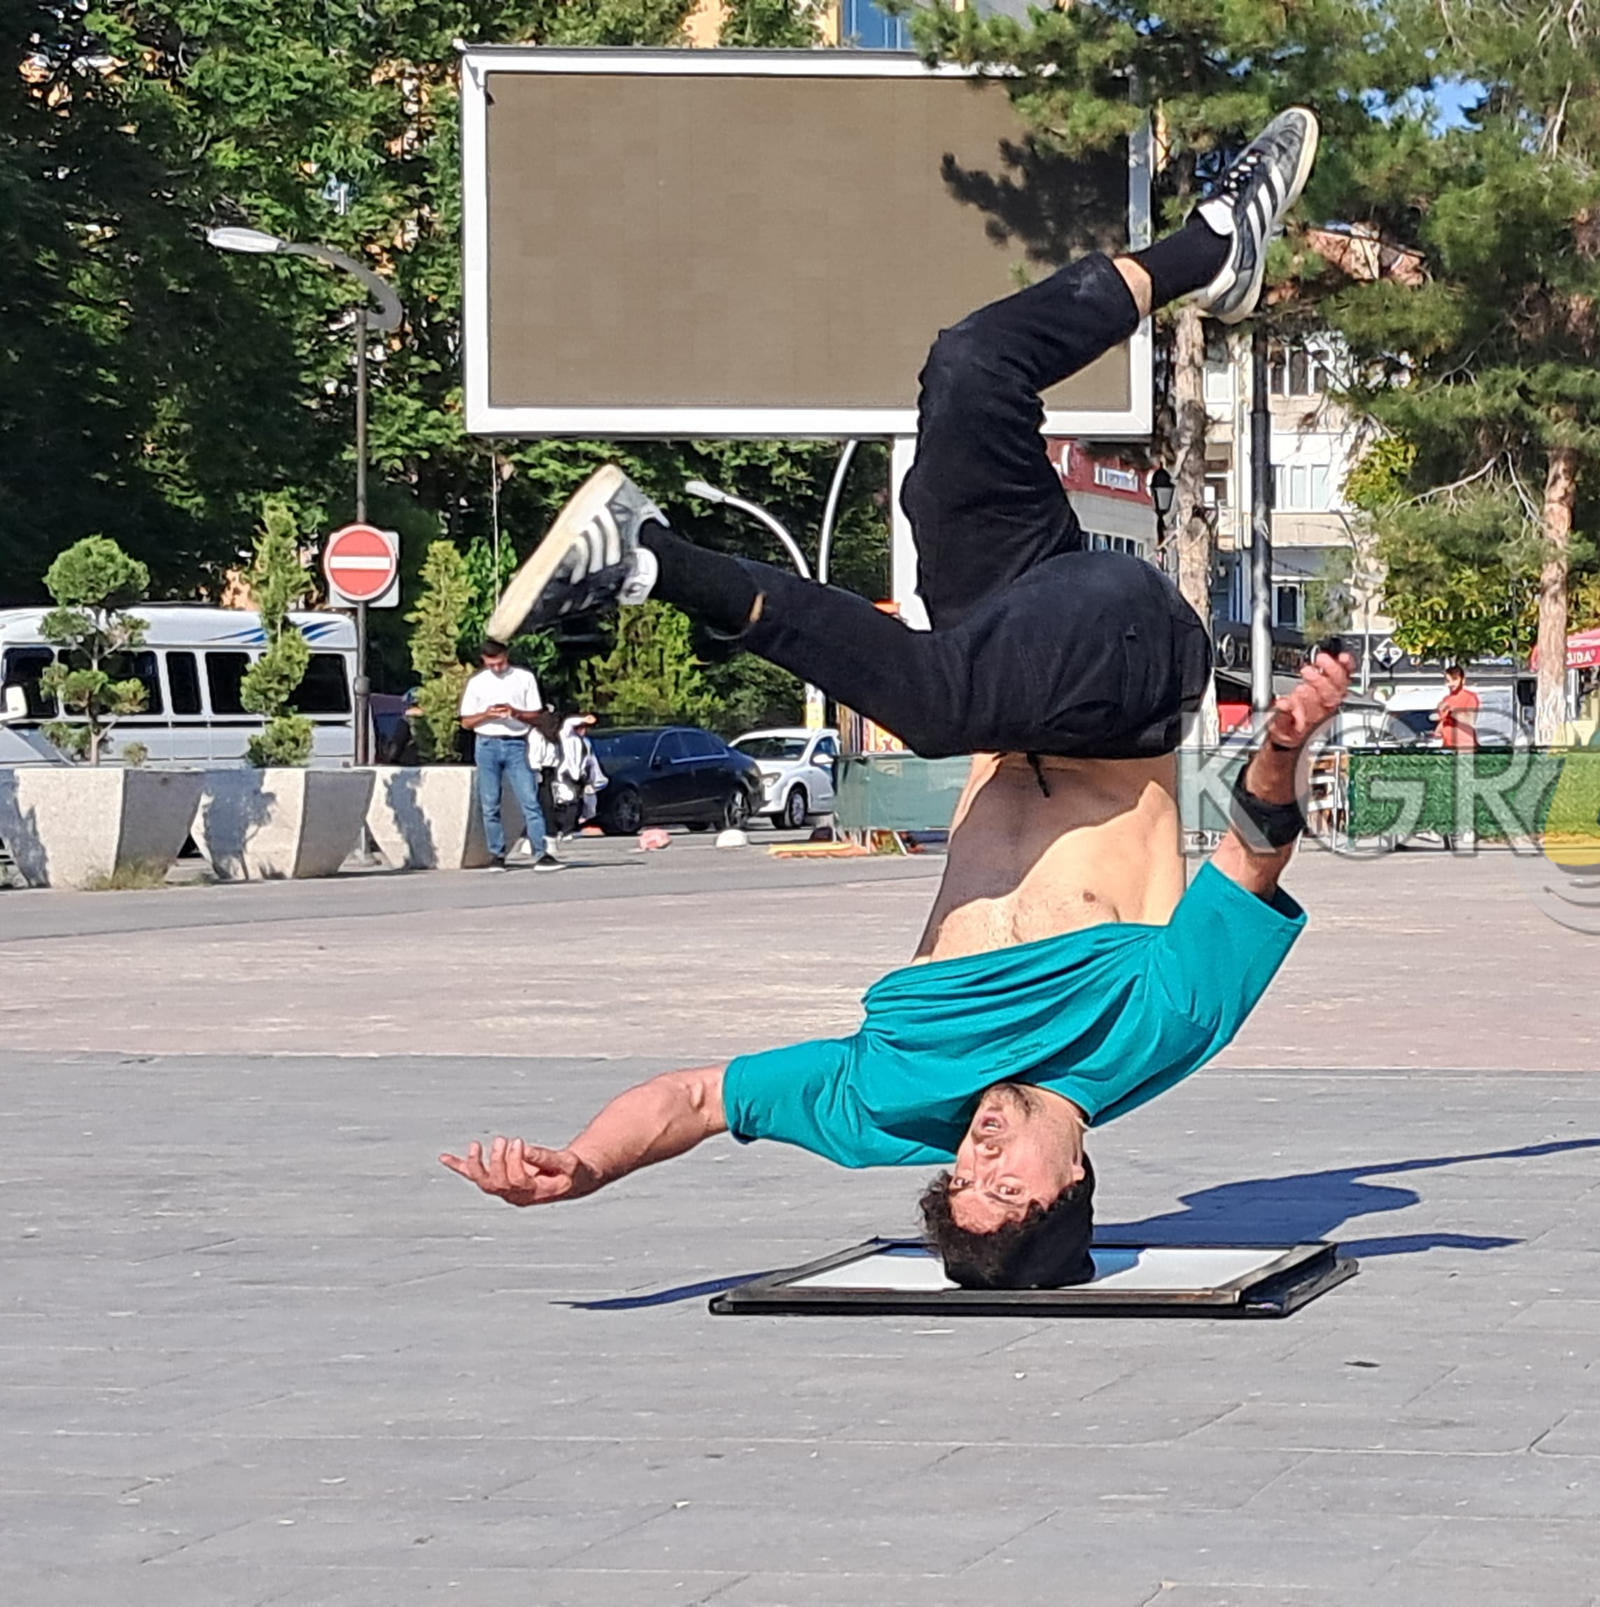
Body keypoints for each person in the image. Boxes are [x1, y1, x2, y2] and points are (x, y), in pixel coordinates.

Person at [438, 111, 1340, 1291]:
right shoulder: (1156, 1036)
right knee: (935, 703)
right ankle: (649, 558)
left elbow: (703, 1095)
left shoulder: (883, 1099)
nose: (980, 1153)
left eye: (962, 1179)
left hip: (1005, 640)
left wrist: (590, 1166)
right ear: (1071, 1186)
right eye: (1006, 1180)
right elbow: (1255, 857)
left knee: (968, 369)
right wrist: (1281, 745)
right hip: (1124, 670)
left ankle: (1208, 248)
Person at [459, 639, 559, 872]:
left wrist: (514, 713)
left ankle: (540, 852)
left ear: (507, 656)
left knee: (529, 799)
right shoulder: (477, 683)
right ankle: (497, 854)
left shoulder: (523, 678)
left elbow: (536, 714)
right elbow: (466, 721)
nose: (496, 668)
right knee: (490, 802)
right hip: (486, 744)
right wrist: (487, 715)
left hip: (515, 743)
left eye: (500, 663)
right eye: (491, 664)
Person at [1434, 664, 1480, 750]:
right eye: (1448, 680)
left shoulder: (1470, 697)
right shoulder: (1446, 699)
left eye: (1454, 679)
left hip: (1465, 747)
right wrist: (1437, 732)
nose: (1451, 684)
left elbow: (1470, 721)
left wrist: (1451, 710)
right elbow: (1445, 720)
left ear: (1463, 680)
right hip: (1447, 746)